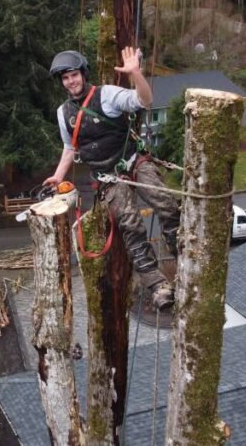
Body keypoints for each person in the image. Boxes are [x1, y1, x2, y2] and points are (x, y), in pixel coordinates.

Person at [43, 47, 181, 310]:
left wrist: (136, 74)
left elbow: (145, 100)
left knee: (165, 203)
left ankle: (185, 259)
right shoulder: (64, 113)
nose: (71, 82)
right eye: (65, 78)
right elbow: (70, 148)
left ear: (83, 74)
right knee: (130, 224)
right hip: (107, 177)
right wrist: (57, 176)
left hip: (131, 161)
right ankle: (157, 284)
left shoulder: (107, 95)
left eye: (73, 75)